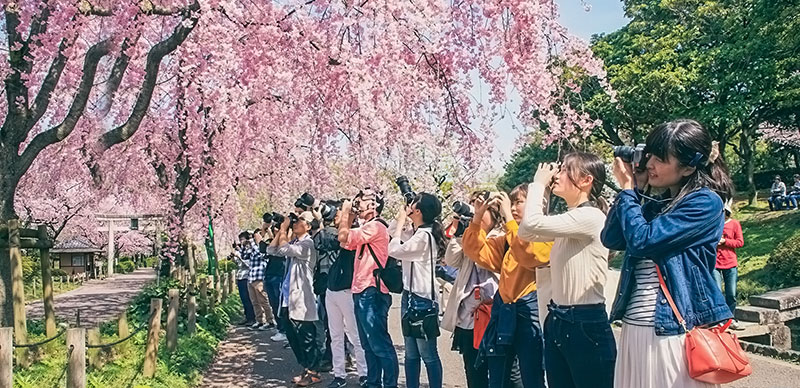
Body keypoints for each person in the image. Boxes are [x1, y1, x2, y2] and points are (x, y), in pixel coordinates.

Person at [601, 119, 734, 388]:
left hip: (671, 329)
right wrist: (636, 189)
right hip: (635, 326)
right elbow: (612, 238)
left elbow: (642, 240)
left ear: (687, 167)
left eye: (660, 158)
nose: (649, 163)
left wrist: (627, 191)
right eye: (649, 154)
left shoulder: (705, 203)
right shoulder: (658, 202)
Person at [518, 153, 616, 388]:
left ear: (585, 180)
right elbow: (526, 232)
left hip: (584, 322)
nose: (557, 175)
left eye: (564, 170)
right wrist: (542, 192)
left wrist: (538, 185)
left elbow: (531, 224)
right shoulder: (573, 219)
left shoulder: (590, 216)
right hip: (561, 319)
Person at [462, 186, 552, 388]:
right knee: (499, 377)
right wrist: (477, 219)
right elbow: (474, 250)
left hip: (531, 311)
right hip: (504, 311)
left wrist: (510, 222)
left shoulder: (547, 235)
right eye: (512, 202)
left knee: (529, 377)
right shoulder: (506, 241)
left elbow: (529, 255)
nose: (512, 208)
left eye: (519, 202)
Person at [339, 189, 399, 388]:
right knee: (368, 345)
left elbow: (342, 236)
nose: (357, 204)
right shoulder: (366, 227)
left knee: (379, 344)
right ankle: (373, 382)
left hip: (371, 291)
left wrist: (347, 213)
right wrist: (351, 217)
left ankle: (389, 384)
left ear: (373, 205)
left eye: (361, 201)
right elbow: (346, 244)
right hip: (362, 290)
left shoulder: (375, 227)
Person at [441, 193, 501, 388]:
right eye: (473, 207)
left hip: (493, 314)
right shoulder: (469, 236)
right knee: (473, 371)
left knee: (499, 371)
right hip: (468, 316)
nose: (476, 212)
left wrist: (473, 233)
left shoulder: (500, 237)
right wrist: (459, 233)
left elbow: (486, 259)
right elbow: (452, 261)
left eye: (481, 209)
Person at [388, 193, 447, 388]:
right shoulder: (418, 232)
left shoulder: (424, 236)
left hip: (422, 298)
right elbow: (392, 231)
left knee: (428, 354)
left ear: (419, 211)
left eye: (413, 204)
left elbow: (394, 249)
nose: (409, 206)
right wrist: (401, 219)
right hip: (409, 296)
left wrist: (403, 220)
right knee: (411, 353)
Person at [318, 202, 368, 388]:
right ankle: (339, 374)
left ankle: (364, 373)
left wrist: (348, 215)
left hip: (348, 290)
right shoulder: (331, 232)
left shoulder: (354, 233)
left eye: (338, 211)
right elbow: (323, 240)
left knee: (355, 335)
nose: (336, 215)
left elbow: (343, 241)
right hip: (332, 290)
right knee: (336, 335)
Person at [274, 211, 322, 387]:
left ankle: (314, 372)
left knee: (306, 337)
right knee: (294, 337)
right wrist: (281, 230)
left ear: (308, 226)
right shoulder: (294, 242)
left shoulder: (308, 244)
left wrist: (284, 229)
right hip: (288, 298)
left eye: (300, 221)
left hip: (302, 298)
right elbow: (273, 249)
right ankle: (306, 368)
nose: (295, 223)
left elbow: (284, 249)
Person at [716, 199, 744, 328]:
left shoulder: (734, 224)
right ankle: (719, 318)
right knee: (717, 291)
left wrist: (725, 241)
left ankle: (730, 317)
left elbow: (739, 242)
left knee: (731, 293)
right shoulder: (714, 224)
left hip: (730, 262)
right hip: (715, 262)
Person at [241, 231, 276, 330]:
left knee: (263, 301)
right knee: (254, 302)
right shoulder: (251, 249)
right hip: (251, 278)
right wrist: (243, 246)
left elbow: (259, 251)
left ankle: (270, 321)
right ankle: (259, 320)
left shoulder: (260, 247)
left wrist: (252, 240)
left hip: (259, 278)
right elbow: (244, 256)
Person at [264, 221, 289, 342]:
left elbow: (276, 250)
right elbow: (267, 249)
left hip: (279, 275)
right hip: (270, 274)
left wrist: (281, 231)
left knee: (279, 304)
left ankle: (284, 329)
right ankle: (280, 328)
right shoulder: (273, 240)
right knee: (273, 303)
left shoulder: (286, 242)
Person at [231, 241, 256, 325]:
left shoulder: (250, 252)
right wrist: (234, 257)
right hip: (240, 277)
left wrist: (240, 257)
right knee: (243, 299)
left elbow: (249, 264)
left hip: (246, 277)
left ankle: (252, 318)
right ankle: (247, 317)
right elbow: (238, 264)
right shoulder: (242, 252)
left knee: (248, 298)